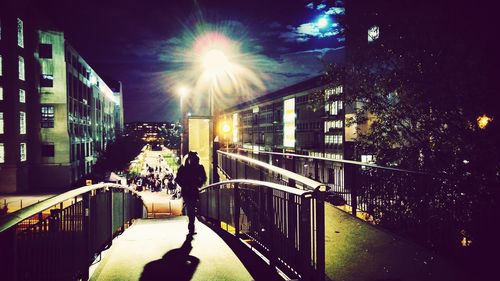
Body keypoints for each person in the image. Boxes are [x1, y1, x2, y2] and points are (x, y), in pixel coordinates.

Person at [175, 151, 207, 235]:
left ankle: (191, 224)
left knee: (190, 207)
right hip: (193, 190)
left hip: (186, 190)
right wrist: (199, 184)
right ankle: (191, 225)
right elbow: (204, 178)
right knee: (192, 207)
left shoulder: (183, 167)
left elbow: (177, 179)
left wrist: (184, 185)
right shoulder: (199, 167)